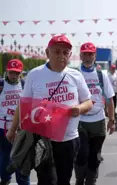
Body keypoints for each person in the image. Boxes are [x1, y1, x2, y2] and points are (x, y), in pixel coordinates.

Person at [6, 35, 93, 185]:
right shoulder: (35, 74)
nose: (61, 56)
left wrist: (78, 108)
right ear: (48, 53)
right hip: (42, 139)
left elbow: (88, 102)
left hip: (69, 139)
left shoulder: (76, 75)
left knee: (63, 180)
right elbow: (23, 104)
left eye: (65, 53)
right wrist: (13, 129)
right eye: (57, 51)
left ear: (70, 56)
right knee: (47, 180)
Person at [75, 42, 115, 185]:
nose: (87, 57)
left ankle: (91, 181)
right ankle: (79, 180)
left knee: (94, 157)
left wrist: (112, 120)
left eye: (90, 54)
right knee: (82, 154)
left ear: (94, 56)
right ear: (80, 56)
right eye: (85, 54)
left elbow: (110, 99)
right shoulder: (74, 74)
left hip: (98, 122)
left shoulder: (101, 75)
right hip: (80, 121)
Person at [0, 59, 30, 185]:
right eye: (11, 72)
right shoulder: (1, 84)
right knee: (5, 159)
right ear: (7, 71)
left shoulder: (24, 84)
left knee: (22, 159)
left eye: (17, 73)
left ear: (21, 73)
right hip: (3, 127)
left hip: (21, 128)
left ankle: (23, 182)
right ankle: (5, 178)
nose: (14, 75)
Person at [108, 64, 117, 130]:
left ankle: (113, 114)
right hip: (110, 93)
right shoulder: (108, 75)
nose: (113, 69)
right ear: (110, 69)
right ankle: (112, 116)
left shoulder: (116, 75)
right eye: (112, 68)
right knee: (111, 105)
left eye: (114, 68)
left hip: (115, 92)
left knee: (114, 105)